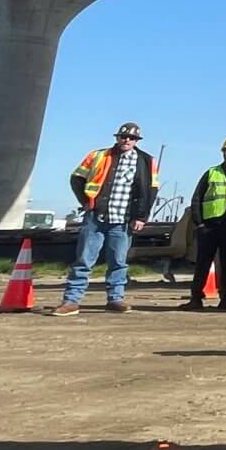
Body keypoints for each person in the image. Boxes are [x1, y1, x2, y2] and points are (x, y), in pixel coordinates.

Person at [56, 121, 155, 315]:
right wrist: (85, 201)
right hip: (96, 217)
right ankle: (71, 300)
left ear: (137, 141)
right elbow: (76, 178)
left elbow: (150, 190)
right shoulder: (98, 155)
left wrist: (141, 216)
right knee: (84, 260)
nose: (126, 140)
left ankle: (115, 299)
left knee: (118, 262)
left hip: (123, 220)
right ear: (117, 138)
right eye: (123, 137)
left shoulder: (146, 161)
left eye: (131, 138)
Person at [184, 136, 226, 311]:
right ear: (223, 152)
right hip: (209, 225)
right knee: (202, 263)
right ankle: (196, 298)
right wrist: (199, 224)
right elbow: (197, 197)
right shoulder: (211, 172)